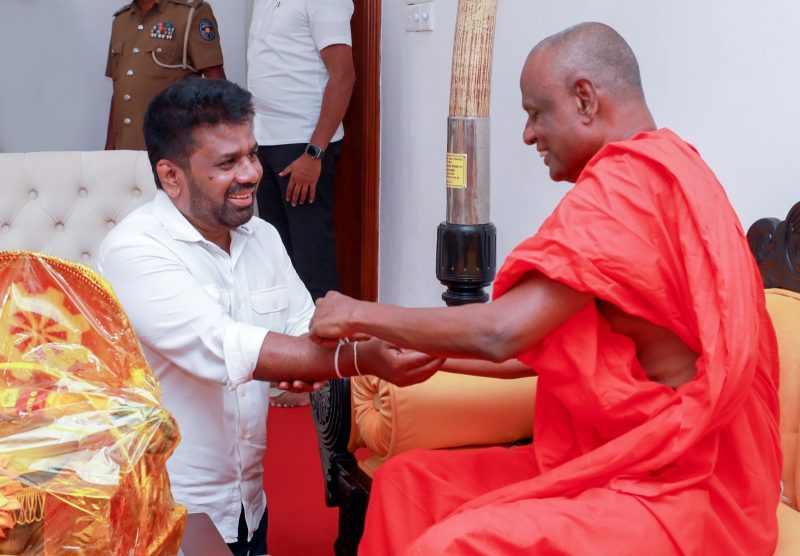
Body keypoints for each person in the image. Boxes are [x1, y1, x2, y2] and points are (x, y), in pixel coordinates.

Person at [309, 22, 782, 555]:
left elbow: (503, 333)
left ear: (585, 99)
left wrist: (356, 313)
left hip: (679, 485)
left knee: (453, 544)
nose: (529, 135)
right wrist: (397, 349)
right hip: (626, 456)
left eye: (535, 113)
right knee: (407, 484)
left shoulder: (628, 186)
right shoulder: (662, 171)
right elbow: (539, 348)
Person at [94, 77, 440, 555]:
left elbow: (304, 330)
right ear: (171, 176)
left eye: (252, 155)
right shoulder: (134, 251)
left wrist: (311, 357)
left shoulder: (263, 237)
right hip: (164, 511)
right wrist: (359, 358)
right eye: (227, 163)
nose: (252, 173)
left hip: (248, 503)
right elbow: (224, 346)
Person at [247, 0, 356, 407]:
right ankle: (292, 363)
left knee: (312, 259)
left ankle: (325, 373)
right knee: (277, 258)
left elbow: (343, 76)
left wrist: (314, 152)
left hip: (304, 145)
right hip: (265, 142)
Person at [105, 0, 226, 150]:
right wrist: (110, 147)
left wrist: (217, 147)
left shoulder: (191, 13)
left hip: (171, 148)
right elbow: (119, 90)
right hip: (125, 150)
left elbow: (217, 88)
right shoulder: (121, 20)